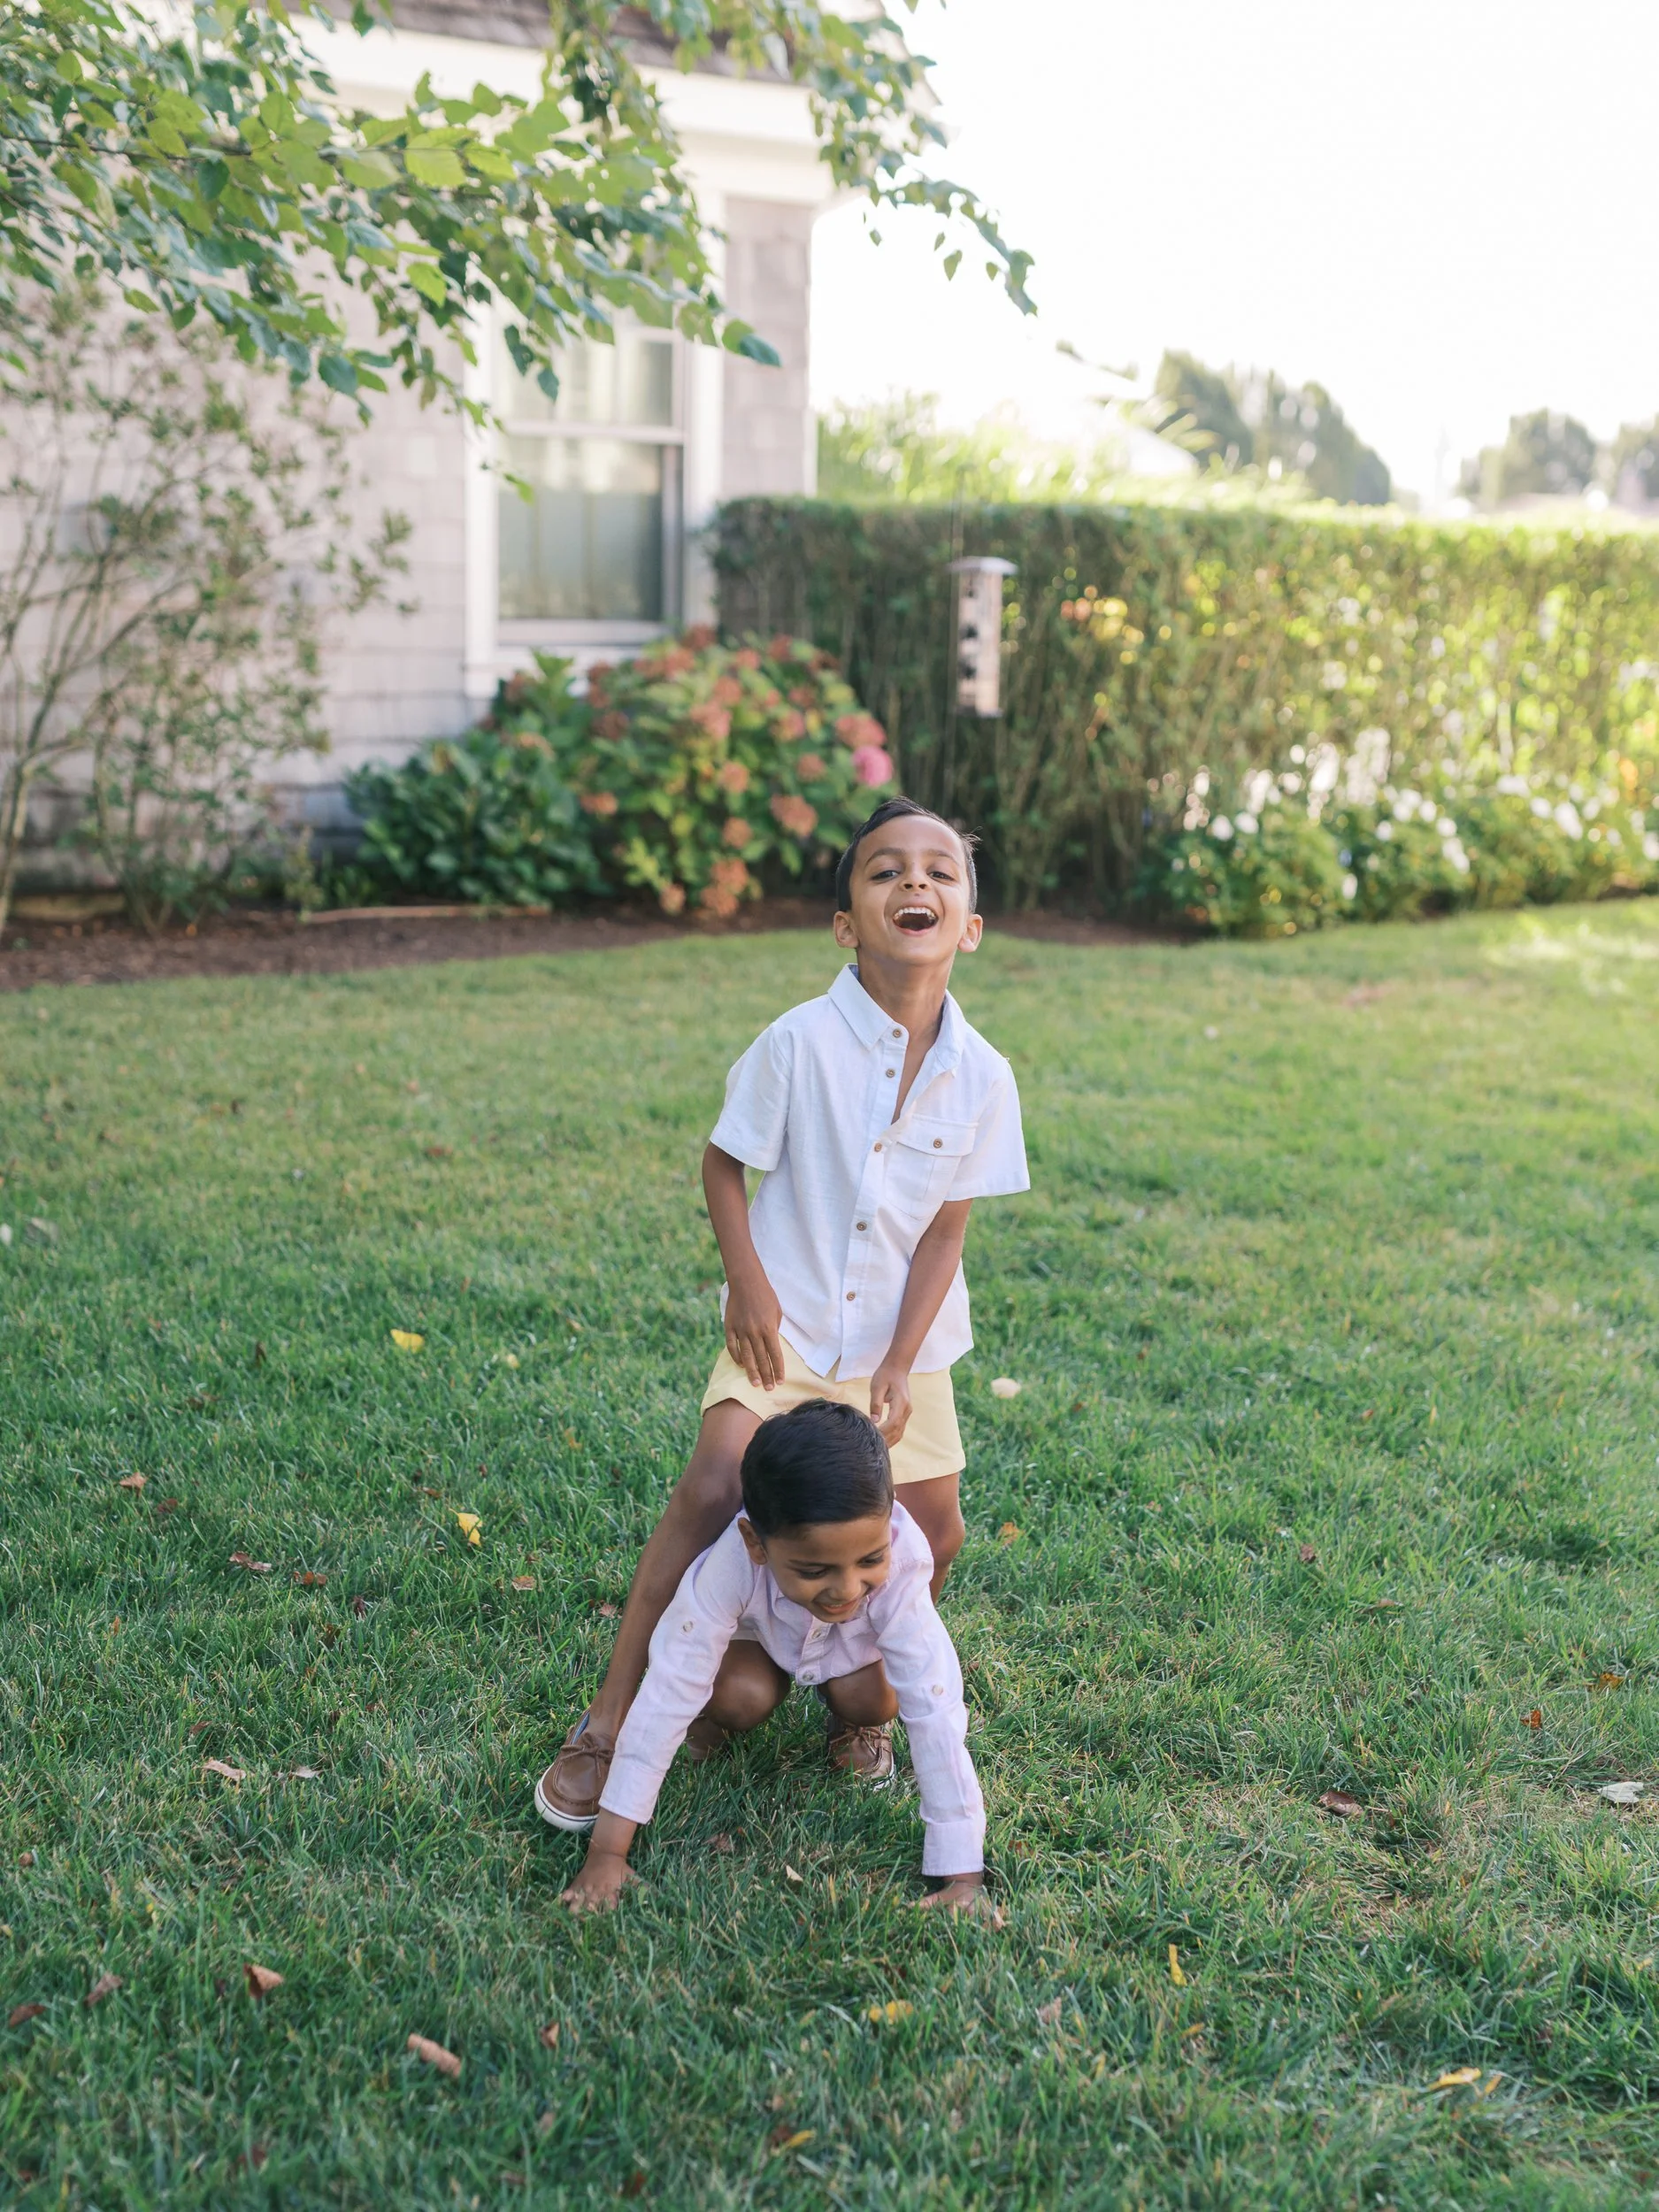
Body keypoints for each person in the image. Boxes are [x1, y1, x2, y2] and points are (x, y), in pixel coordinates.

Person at [536, 795, 1029, 1832]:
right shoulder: (798, 1042)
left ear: (970, 924)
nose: (916, 884)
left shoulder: (984, 1075)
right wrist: (749, 1286)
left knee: (934, 1530)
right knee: (716, 1482)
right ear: (847, 921)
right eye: (885, 869)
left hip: (905, 1345)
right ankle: (611, 1718)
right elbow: (724, 1164)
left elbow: (946, 1233)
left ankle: (863, 1702)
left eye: (940, 871)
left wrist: (901, 1360)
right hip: (787, 1324)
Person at [560, 1398, 990, 1913]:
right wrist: (608, 1851)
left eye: (870, 1559)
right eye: (814, 1569)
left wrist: (963, 1876)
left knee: (879, 1697)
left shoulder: (905, 1561)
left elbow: (935, 1705)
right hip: (757, 1647)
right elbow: (669, 1684)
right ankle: (711, 1722)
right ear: (755, 1543)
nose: (848, 1588)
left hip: (851, 1658)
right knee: (739, 1696)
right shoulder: (730, 1564)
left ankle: (855, 1725)